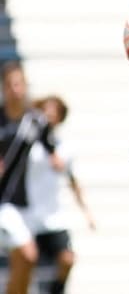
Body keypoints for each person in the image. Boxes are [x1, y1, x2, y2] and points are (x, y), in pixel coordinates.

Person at [0, 61, 63, 294]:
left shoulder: (35, 121)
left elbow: (49, 146)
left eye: (18, 84)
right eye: (9, 85)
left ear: (25, 86)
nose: (14, 89)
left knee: (24, 264)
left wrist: (56, 159)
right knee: (28, 254)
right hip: (3, 203)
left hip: (26, 206)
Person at [27, 95, 96, 294]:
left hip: (53, 217)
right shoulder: (27, 143)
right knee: (25, 262)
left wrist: (87, 213)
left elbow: (73, 182)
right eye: (46, 108)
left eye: (54, 110)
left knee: (67, 258)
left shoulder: (64, 149)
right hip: (28, 215)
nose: (48, 114)